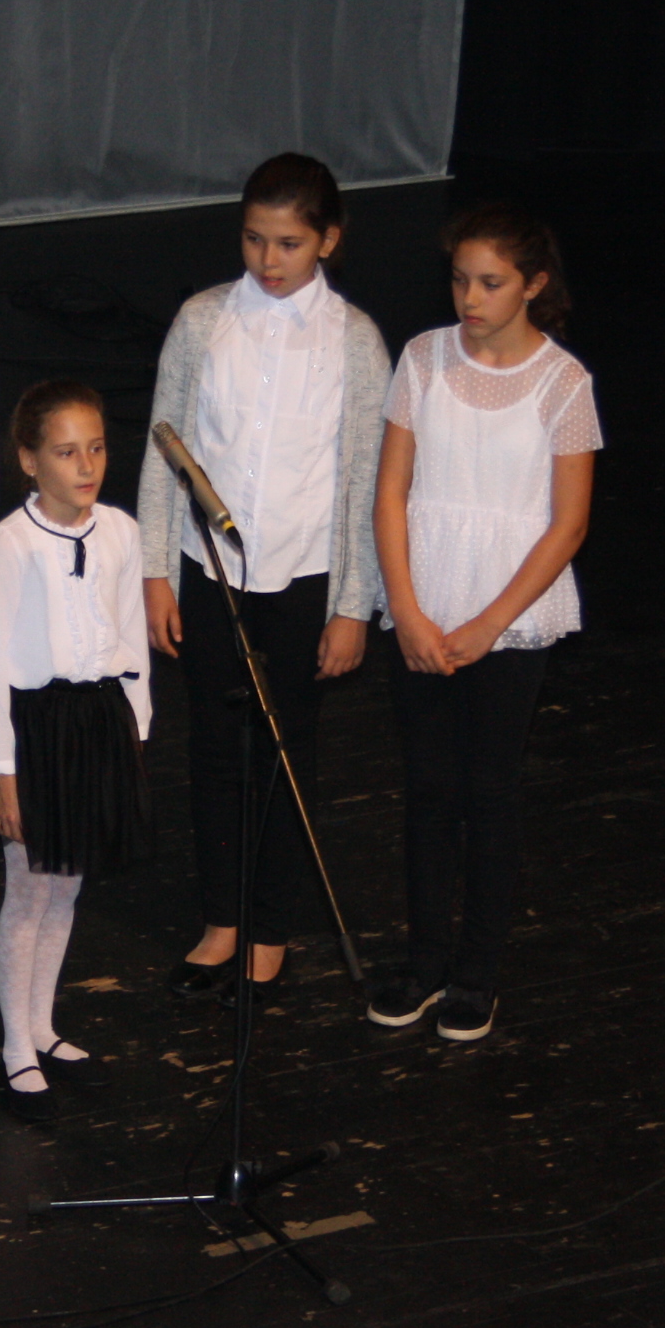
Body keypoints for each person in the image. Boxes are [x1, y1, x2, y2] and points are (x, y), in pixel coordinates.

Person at [139, 153, 388, 1000]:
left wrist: (352, 605)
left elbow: (364, 479)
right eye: (254, 239)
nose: (269, 260)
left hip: (305, 577)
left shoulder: (354, 341)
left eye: (289, 243)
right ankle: (221, 921)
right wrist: (155, 572)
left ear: (328, 241)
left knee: (286, 753)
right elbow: (166, 445)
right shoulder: (204, 320)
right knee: (215, 750)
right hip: (210, 574)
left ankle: (271, 929)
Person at [364, 205, 600, 1043]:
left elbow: (567, 524)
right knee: (428, 790)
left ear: (533, 285)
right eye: (461, 279)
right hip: (423, 605)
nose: (469, 297)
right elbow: (391, 491)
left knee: (488, 792)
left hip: (510, 616)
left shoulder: (563, 383)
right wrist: (408, 610)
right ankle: (426, 961)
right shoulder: (424, 358)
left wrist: (491, 624)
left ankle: (476, 972)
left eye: (490, 282)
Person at [0, 382, 152, 1122]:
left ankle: (43, 1024)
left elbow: (132, 635)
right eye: (67, 452)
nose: (86, 466)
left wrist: (135, 732)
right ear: (29, 460)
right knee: (28, 889)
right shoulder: (11, 544)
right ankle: (16, 1043)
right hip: (34, 731)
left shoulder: (121, 531)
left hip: (96, 723)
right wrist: (3, 772)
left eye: (97, 449)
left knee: (68, 884)